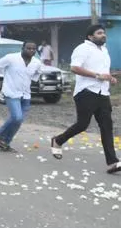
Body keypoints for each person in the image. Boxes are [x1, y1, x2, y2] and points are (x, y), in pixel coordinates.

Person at [50, 25, 121, 174]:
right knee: (83, 124)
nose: (103, 35)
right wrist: (97, 76)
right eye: (99, 33)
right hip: (86, 92)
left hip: (103, 93)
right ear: (90, 36)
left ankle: (112, 163)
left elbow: (103, 72)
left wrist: (109, 78)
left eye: (104, 33)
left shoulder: (104, 50)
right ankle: (57, 140)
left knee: (107, 127)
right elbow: (75, 68)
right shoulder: (82, 48)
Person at [0, 41, 42, 152]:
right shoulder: (11, 58)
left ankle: (6, 142)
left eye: (34, 49)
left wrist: (33, 82)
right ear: (23, 48)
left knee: (18, 121)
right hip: (11, 92)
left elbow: (38, 73)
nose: (31, 51)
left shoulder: (37, 63)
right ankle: (0, 134)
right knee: (17, 117)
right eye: (28, 48)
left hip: (26, 95)